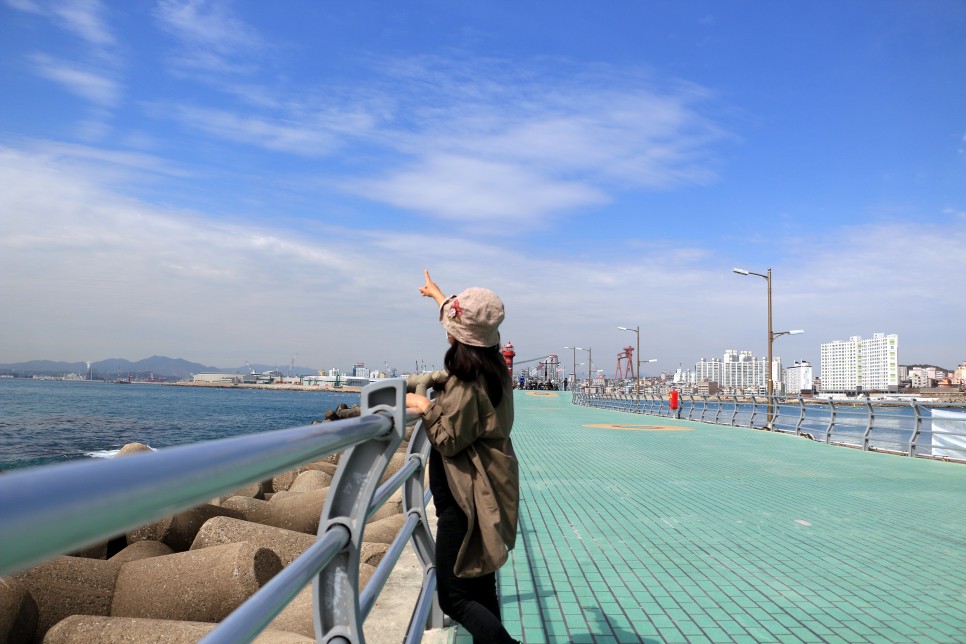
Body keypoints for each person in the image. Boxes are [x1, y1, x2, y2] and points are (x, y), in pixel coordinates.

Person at [406, 270, 521, 644]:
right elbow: (460, 323)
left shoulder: (469, 382)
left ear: (458, 338)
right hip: (481, 488)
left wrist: (425, 405)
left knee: (454, 597)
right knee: (481, 587)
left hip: (465, 498)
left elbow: (448, 439)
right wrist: (437, 295)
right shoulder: (491, 367)